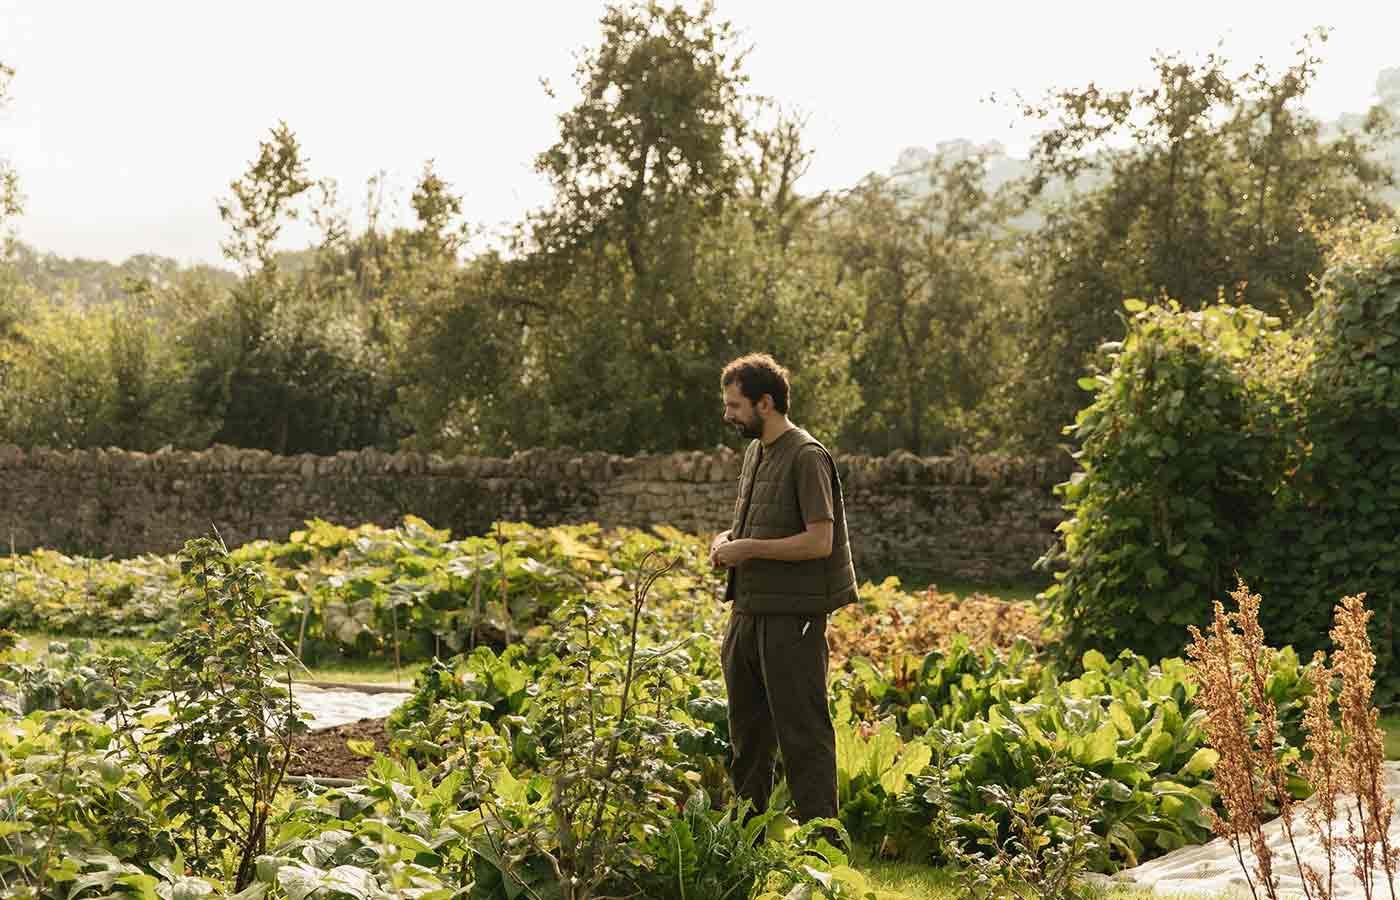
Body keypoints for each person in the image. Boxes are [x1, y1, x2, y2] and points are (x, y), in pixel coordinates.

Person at [709, 353, 859, 828]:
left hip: (793, 620)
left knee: (803, 735)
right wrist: (727, 541)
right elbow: (761, 526)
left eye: (735, 406)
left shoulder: (807, 456)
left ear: (766, 403)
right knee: (747, 738)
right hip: (748, 614)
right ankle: (745, 846)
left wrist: (748, 547)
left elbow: (820, 541)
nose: (728, 415)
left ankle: (825, 847)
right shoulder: (756, 453)